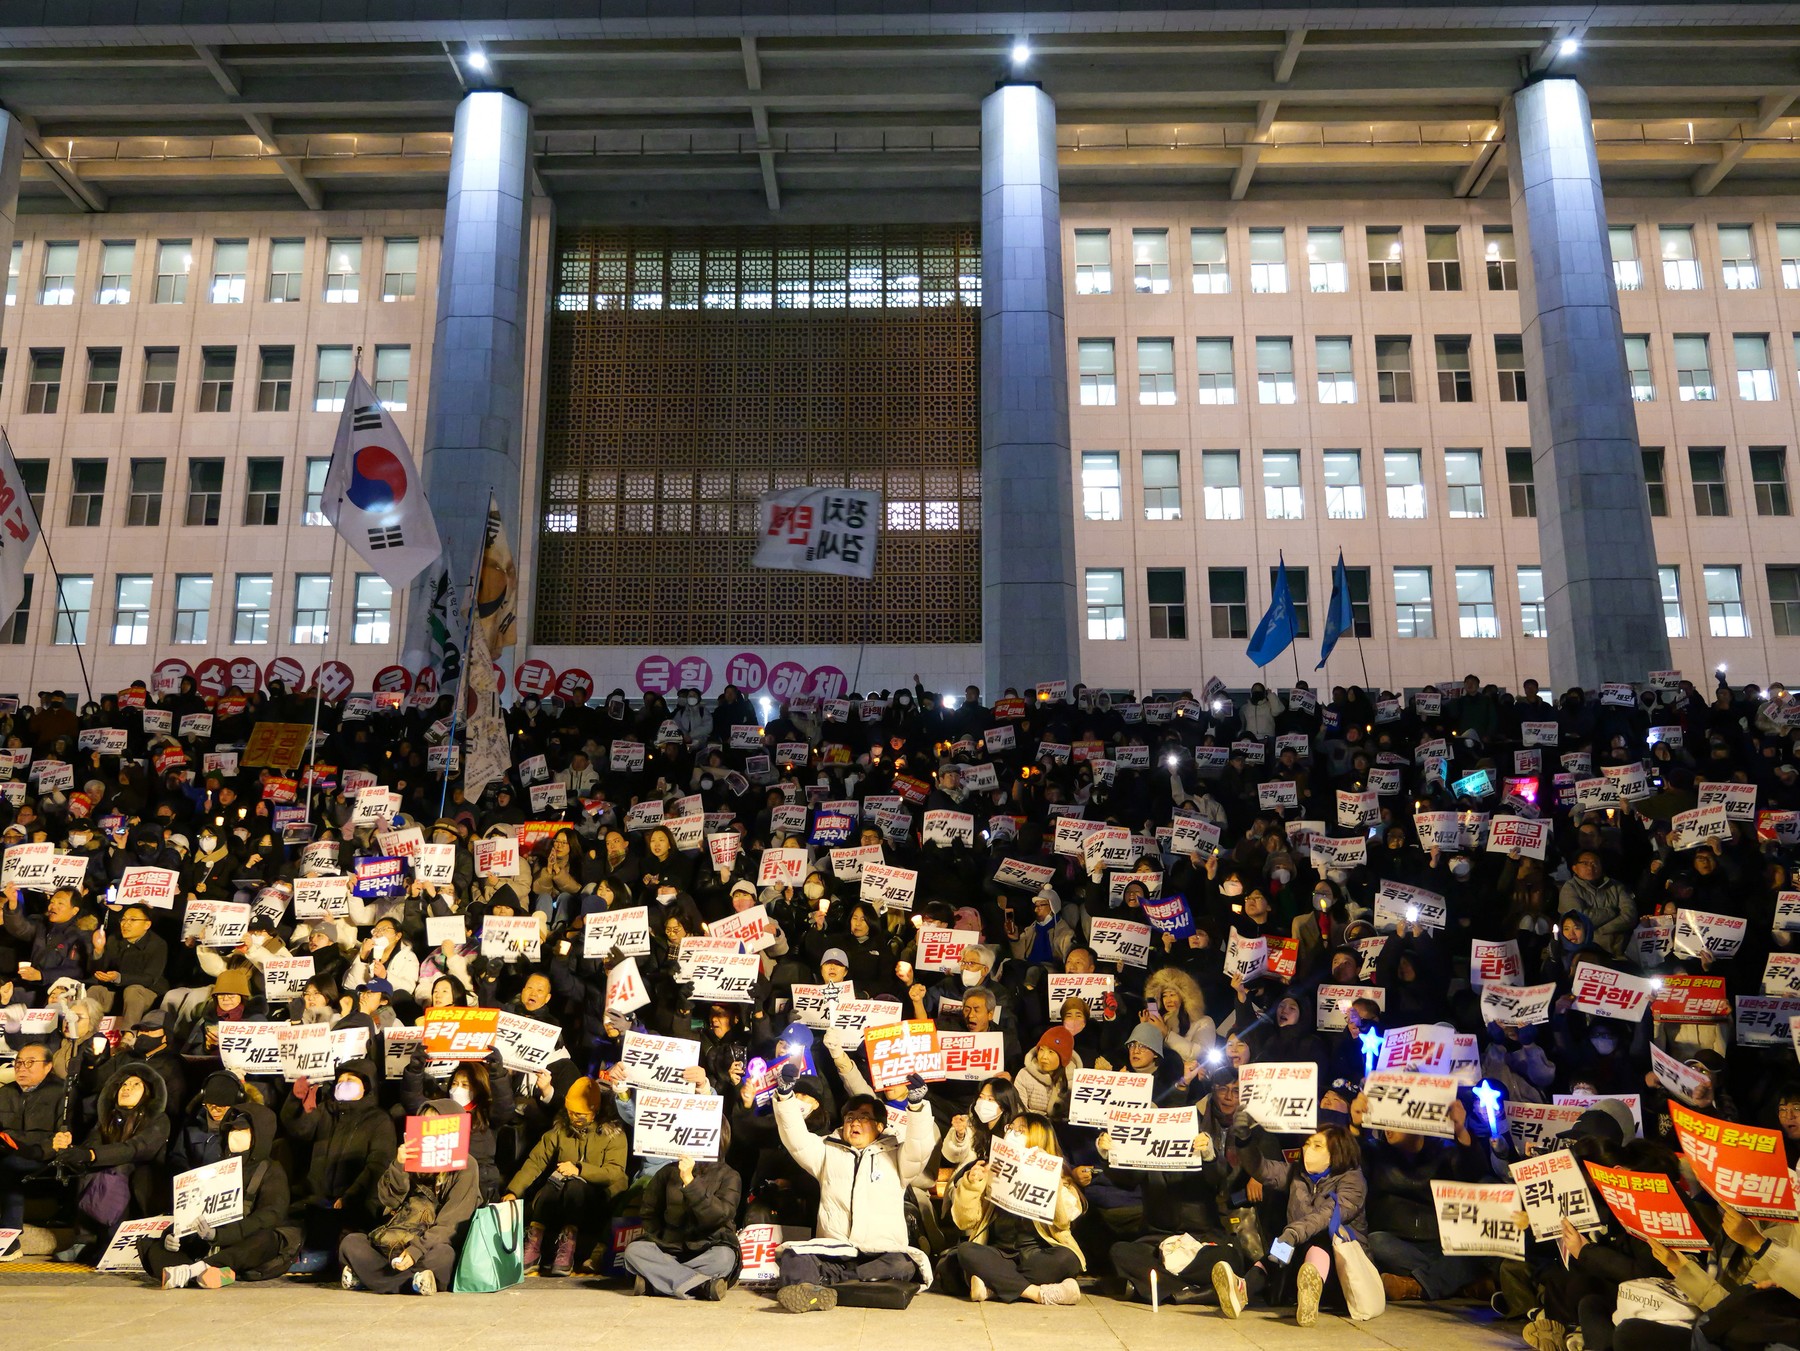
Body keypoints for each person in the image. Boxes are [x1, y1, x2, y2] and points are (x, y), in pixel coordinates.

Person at [771, 1062, 940, 1312]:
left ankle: (823, 1287)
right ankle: (838, 1287)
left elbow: (919, 1148)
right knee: (793, 1257)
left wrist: (917, 1107)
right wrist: (785, 1096)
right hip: (835, 1250)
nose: (854, 1122)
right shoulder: (826, 1150)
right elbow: (795, 1138)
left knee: (902, 1264)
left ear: (879, 1126)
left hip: (881, 1252)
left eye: (863, 1117)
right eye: (850, 1117)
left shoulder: (897, 1155)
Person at [1213, 1125, 1368, 1327]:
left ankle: (1312, 1287)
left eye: (1317, 1145)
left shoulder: (1352, 1180)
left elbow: (1325, 1216)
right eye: (1307, 1144)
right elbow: (1262, 1169)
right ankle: (1242, 1290)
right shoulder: (1298, 1173)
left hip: (1342, 1272)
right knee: (1279, 1250)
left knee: (1317, 1238)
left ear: (1336, 1152)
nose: (1308, 1149)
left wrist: (1292, 1234)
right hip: (1300, 1257)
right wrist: (1244, 1141)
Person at [141, 1105, 300, 1288]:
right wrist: (173, 1235)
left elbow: (270, 1215)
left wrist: (221, 1235)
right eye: (232, 1130)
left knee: (266, 1240)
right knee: (154, 1246)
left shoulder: (271, 1170)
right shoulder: (217, 1168)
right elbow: (194, 1209)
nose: (235, 1135)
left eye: (243, 1131)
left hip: (243, 1239)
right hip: (210, 1241)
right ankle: (204, 1273)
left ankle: (198, 1270)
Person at [338, 1096, 480, 1295]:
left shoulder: (466, 1165)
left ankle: (372, 1279)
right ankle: (413, 1282)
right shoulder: (411, 1158)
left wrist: (416, 1250)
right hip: (398, 1241)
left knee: (443, 1256)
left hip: (429, 1246)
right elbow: (388, 1200)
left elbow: (451, 1224)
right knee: (351, 1243)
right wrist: (399, 1166)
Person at [949, 1111, 1085, 1305]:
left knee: (1068, 1259)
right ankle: (1037, 1293)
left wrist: (1050, 1179)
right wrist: (971, 1185)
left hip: (1037, 1254)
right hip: (998, 1253)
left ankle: (993, 1287)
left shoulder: (1062, 1181)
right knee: (966, 1251)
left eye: (1021, 1130)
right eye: (1011, 1128)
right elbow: (965, 1221)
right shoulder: (993, 1170)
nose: (1012, 1133)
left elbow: (1062, 1222)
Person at [504, 1076, 628, 1277]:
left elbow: (614, 1172)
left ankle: (568, 1246)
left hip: (598, 1195)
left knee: (575, 1188)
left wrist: (579, 1170)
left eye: (580, 1114)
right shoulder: (560, 1130)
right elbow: (536, 1161)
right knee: (552, 1185)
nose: (574, 1117)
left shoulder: (613, 1135)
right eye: (571, 1113)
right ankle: (534, 1240)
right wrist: (513, 1191)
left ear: (594, 1110)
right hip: (561, 1193)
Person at [622, 1129, 742, 1299]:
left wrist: (689, 1182)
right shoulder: (667, 1172)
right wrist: (661, 1237)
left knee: (724, 1258)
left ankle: (656, 1284)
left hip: (709, 1248)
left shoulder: (729, 1175)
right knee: (634, 1251)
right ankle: (702, 1286)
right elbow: (649, 1212)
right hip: (669, 1250)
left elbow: (719, 1215)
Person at [0, 1043, 63, 1259]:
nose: (21, 1068)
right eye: (18, 1062)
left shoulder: (62, 1094)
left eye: (30, 1063)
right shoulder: (5, 1092)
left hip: (44, 1157)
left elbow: (61, 1138)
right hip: (7, 1152)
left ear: (48, 1066)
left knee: (9, 1167)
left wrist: (35, 1150)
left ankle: (10, 1239)